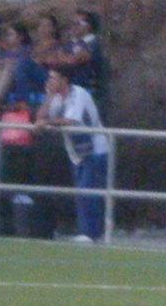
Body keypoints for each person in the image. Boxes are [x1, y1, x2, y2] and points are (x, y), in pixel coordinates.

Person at [38, 63, 111, 242]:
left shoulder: (79, 94)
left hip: (95, 149)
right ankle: (89, 232)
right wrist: (48, 97)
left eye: (53, 78)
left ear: (64, 80)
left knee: (88, 191)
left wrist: (48, 123)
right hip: (76, 152)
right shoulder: (56, 98)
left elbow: (71, 120)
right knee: (81, 192)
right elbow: (40, 117)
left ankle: (91, 234)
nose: (50, 81)